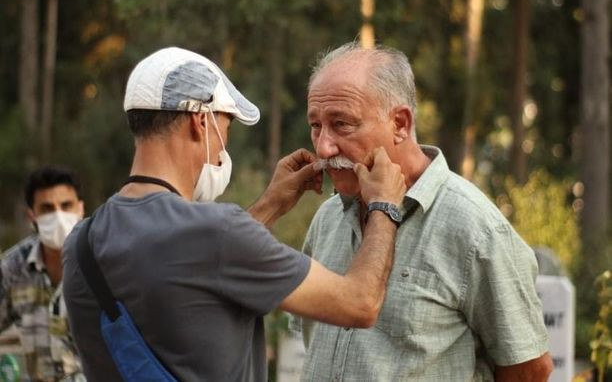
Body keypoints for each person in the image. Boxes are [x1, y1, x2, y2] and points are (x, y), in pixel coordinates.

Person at [62, 47, 407, 382]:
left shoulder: (82, 243)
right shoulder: (218, 231)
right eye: (225, 126)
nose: (224, 146)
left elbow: (197, 268)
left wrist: (269, 205)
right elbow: (360, 303)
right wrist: (384, 206)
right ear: (201, 122)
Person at [290, 42, 553, 381]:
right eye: (316, 126)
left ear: (400, 123)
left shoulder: (475, 228)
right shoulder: (328, 218)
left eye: (341, 124)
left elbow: (529, 369)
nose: (324, 146)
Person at [0, 166, 85, 381]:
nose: (58, 215)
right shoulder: (14, 268)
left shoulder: (104, 262)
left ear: (80, 209)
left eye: (66, 206)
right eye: (47, 208)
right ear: (32, 216)